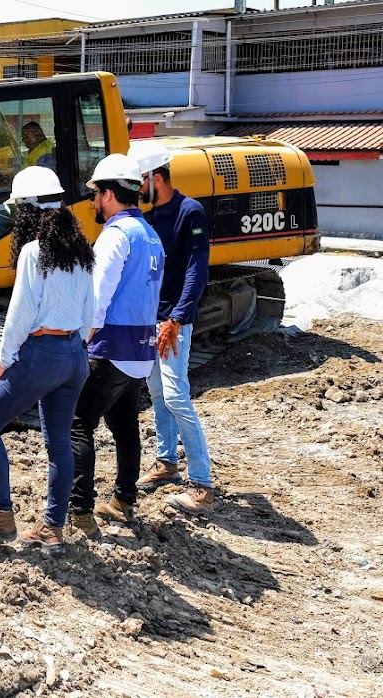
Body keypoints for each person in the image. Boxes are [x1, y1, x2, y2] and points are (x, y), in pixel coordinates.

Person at [0, 167, 95, 554]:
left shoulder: (34, 253)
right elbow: (91, 316)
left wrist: (3, 363)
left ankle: (1, 514)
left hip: (43, 354)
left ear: (28, 212)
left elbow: (19, 315)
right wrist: (72, 349)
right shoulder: (83, 253)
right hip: (74, 356)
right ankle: (53, 527)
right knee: (59, 444)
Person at [68, 153, 164, 539]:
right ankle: (124, 501)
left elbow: (97, 298)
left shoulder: (115, 236)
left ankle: (81, 511)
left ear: (108, 194)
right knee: (125, 425)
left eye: (95, 194)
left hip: (110, 349)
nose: (93, 202)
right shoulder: (150, 234)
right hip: (141, 352)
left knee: (78, 425)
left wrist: (80, 344)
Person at [135, 147, 215, 515]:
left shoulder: (190, 212)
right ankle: (166, 463)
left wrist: (177, 319)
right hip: (154, 320)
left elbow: (197, 270)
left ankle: (201, 484)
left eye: (141, 181)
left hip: (173, 322)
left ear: (157, 178)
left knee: (176, 395)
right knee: (157, 392)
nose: (138, 188)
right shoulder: (152, 217)